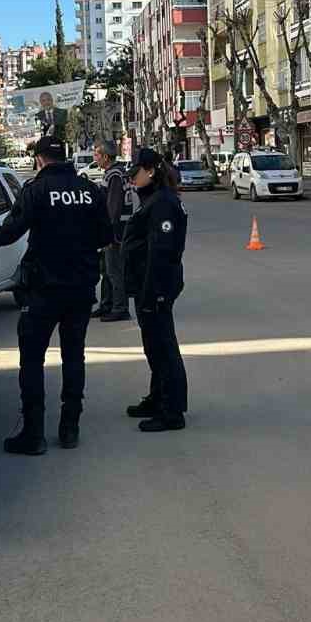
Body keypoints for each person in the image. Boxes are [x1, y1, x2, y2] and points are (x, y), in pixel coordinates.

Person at [0, 135, 111, 455]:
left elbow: (8, 233)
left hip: (43, 291)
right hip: (81, 289)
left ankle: (33, 435)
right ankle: (70, 428)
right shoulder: (90, 191)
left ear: (40, 160)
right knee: (74, 357)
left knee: (32, 361)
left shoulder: (36, 191)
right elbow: (105, 235)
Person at [121, 148, 188, 434]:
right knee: (153, 345)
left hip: (156, 287)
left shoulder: (163, 203)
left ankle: (172, 411)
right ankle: (157, 397)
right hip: (146, 286)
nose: (130, 178)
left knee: (164, 347)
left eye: (134, 172)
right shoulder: (152, 199)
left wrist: (155, 293)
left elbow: (162, 252)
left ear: (150, 171)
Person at [92, 138, 134, 322]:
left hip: (116, 232)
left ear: (106, 157)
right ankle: (107, 304)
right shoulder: (113, 172)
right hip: (115, 230)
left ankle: (120, 307)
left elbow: (113, 208)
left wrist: (107, 232)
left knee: (114, 270)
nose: (95, 158)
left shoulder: (115, 175)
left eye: (97, 154)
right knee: (106, 270)